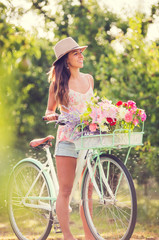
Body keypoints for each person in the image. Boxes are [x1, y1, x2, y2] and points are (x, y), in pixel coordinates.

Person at [45, 37, 95, 240]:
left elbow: (92, 107)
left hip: (89, 139)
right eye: (76, 53)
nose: (81, 56)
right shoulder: (58, 84)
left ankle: (90, 236)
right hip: (67, 139)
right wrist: (51, 115)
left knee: (87, 191)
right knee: (65, 190)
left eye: (81, 52)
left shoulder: (89, 79)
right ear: (66, 60)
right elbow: (50, 108)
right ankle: (67, 236)